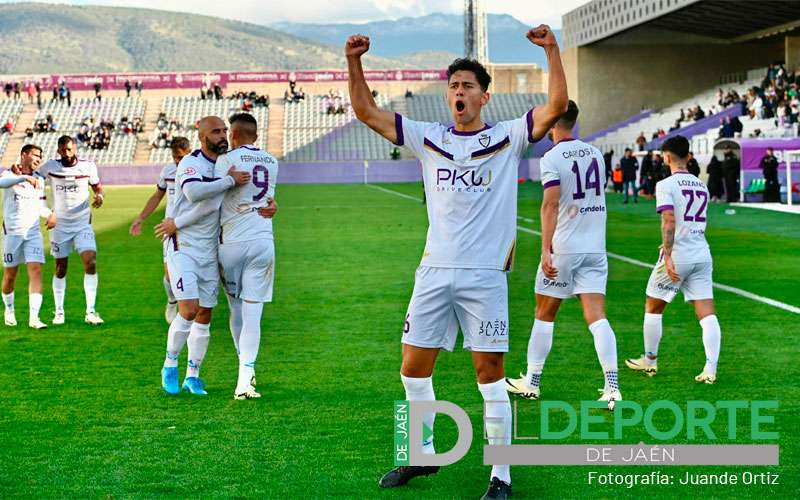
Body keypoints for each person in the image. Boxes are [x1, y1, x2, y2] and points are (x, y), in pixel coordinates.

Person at [346, 24, 567, 499]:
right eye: (453, 86)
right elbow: (364, 110)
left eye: (467, 86)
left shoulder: (509, 137)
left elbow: (554, 108)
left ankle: (501, 476)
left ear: (485, 96)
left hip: (485, 276)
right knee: (412, 369)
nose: (459, 92)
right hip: (433, 272)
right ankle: (421, 455)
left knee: (489, 376)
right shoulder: (429, 137)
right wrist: (354, 61)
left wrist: (552, 50)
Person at [505, 101, 622, 411]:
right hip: (595, 248)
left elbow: (551, 204)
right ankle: (612, 387)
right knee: (597, 316)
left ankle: (532, 381)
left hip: (565, 248)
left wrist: (546, 249)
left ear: (554, 121)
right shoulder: (595, 153)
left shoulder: (552, 157)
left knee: (544, 314)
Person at [151, 116, 249, 396]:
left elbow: (223, 202)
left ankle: (192, 375)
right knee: (189, 309)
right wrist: (229, 180)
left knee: (205, 313)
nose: (222, 136)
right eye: (216, 132)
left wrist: (269, 204)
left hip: (210, 249)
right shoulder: (190, 163)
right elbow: (195, 194)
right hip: (183, 245)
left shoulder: (224, 163)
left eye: (224, 131)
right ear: (202, 136)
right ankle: (170, 365)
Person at [626, 135, 722, 385]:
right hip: (701, 252)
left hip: (679, 254)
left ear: (667, 157)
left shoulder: (665, 184)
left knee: (653, 306)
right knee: (707, 313)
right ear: (689, 157)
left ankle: (650, 360)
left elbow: (669, 220)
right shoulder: (702, 185)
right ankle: (710, 369)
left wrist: (667, 254)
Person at [213, 113, 279, 400]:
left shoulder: (225, 161)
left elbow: (214, 198)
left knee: (236, 309)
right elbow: (267, 199)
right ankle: (245, 379)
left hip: (232, 242)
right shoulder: (272, 162)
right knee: (254, 316)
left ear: (234, 135)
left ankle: (243, 371)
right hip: (263, 241)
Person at [38, 136, 104, 325]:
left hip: (82, 223)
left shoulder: (88, 167)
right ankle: (59, 312)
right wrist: (46, 212)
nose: (66, 153)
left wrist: (100, 197)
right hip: (59, 225)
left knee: (90, 262)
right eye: (63, 150)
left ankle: (90, 311)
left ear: (75, 149)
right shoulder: (49, 167)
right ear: (58, 150)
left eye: (69, 149)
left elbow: (98, 188)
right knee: (60, 268)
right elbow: (34, 181)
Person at [129, 137, 192, 324]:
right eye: (175, 157)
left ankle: (193, 310)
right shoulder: (168, 171)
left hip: (193, 228)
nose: (178, 161)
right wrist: (140, 218)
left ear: (190, 152)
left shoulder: (199, 169)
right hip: (170, 229)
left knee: (194, 273)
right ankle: (172, 301)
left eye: (181, 157)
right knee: (169, 274)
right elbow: (157, 196)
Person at [1, 145, 57, 329]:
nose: (38, 159)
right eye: (35, 155)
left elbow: (39, 205)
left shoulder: (40, 179)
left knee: (36, 271)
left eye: (41, 156)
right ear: (24, 155)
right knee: (10, 276)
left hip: (32, 232)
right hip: (12, 233)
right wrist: (24, 177)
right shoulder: (9, 174)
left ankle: (34, 318)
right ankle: (9, 309)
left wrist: (50, 214)